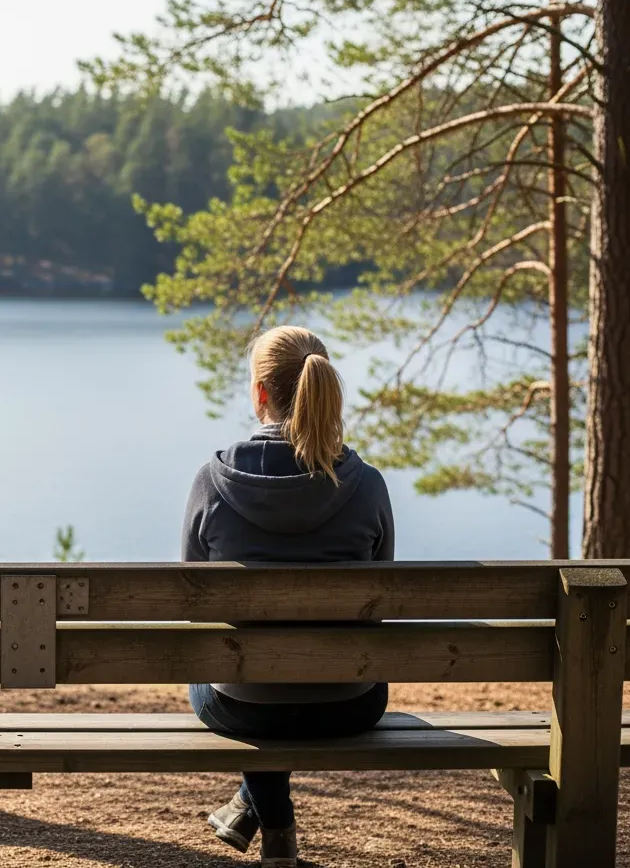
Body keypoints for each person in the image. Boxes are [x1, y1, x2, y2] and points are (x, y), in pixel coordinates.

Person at [182, 325, 395, 868]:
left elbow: (190, 598)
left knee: (247, 677)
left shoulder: (213, 480)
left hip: (241, 704)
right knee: (285, 674)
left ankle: (272, 824)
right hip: (349, 703)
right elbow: (386, 595)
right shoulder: (366, 483)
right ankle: (261, 819)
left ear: (259, 394)